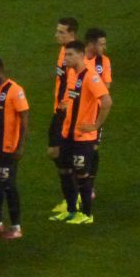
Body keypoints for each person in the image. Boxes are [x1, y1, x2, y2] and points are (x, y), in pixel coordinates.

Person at [50, 40, 112, 224]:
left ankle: (86, 214)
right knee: (64, 170)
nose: (66, 58)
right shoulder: (71, 74)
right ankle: (70, 210)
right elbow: (72, 97)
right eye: (65, 55)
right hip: (67, 134)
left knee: (82, 174)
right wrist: (66, 105)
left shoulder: (91, 77)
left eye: (70, 55)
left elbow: (107, 102)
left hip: (83, 137)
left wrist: (95, 125)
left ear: (80, 55)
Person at [0, 56, 31, 240]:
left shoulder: (15, 90)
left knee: (9, 187)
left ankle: (16, 227)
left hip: (8, 148)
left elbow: (24, 118)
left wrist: (20, 145)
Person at [49, 17, 79, 213]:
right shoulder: (63, 52)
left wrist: (67, 104)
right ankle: (72, 199)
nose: (57, 35)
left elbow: (75, 82)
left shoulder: (73, 55)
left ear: (72, 34)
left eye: (61, 32)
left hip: (66, 113)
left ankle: (74, 200)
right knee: (58, 154)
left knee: (59, 153)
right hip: (58, 110)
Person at [83, 27, 112, 195]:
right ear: (91, 44)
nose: (104, 48)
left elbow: (106, 87)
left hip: (95, 112)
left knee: (92, 148)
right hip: (78, 112)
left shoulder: (104, 62)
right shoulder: (78, 58)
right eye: (102, 44)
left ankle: (89, 185)